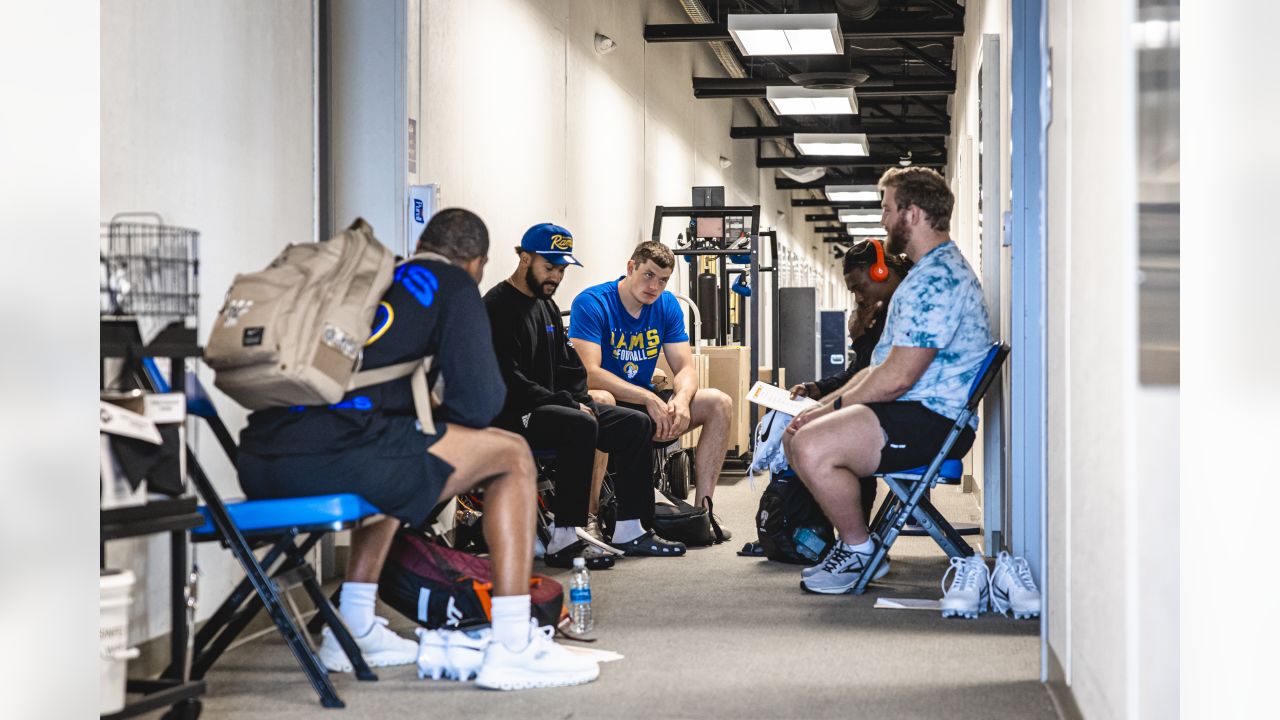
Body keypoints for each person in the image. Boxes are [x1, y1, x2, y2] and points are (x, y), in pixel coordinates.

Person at [236, 209, 599, 689]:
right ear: (478, 263)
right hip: (335, 459)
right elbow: (481, 404)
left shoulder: (377, 281)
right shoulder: (450, 282)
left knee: (399, 455)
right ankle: (512, 644)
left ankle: (355, 624)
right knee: (511, 454)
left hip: (261, 461)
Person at [784, 167, 993, 595]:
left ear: (912, 214)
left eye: (887, 209)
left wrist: (829, 412)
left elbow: (897, 379)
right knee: (801, 433)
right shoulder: (923, 275)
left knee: (809, 443)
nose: (883, 220)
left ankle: (859, 550)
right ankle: (859, 546)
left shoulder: (937, 280)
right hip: (914, 411)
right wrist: (823, 406)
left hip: (934, 422)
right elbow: (878, 371)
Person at [484, 223, 686, 564]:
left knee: (635, 424)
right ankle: (565, 538)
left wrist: (582, 398)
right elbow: (508, 379)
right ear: (523, 259)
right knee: (578, 424)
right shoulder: (497, 307)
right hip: (512, 412)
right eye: (549, 268)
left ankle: (630, 529)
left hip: (551, 406)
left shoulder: (546, 305)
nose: (556, 277)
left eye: (561, 270)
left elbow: (569, 366)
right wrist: (570, 403)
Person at [569, 240, 735, 544]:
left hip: (645, 405)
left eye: (663, 280)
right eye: (648, 275)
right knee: (601, 400)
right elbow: (589, 373)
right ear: (631, 267)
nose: (655, 286)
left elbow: (685, 367)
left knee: (719, 403)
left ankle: (703, 512)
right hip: (610, 403)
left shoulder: (667, 305)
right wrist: (646, 397)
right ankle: (589, 517)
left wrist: (681, 399)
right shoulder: (592, 302)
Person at [788, 240, 913, 522]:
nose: (857, 297)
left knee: (810, 433)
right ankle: (797, 527)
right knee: (792, 423)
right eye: (852, 290)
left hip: (902, 417)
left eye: (859, 287)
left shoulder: (906, 312)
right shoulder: (882, 312)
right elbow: (860, 371)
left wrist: (859, 337)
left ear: (882, 272)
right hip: (886, 407)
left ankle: (849, 537)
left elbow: (877, 373)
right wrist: (818, 388)